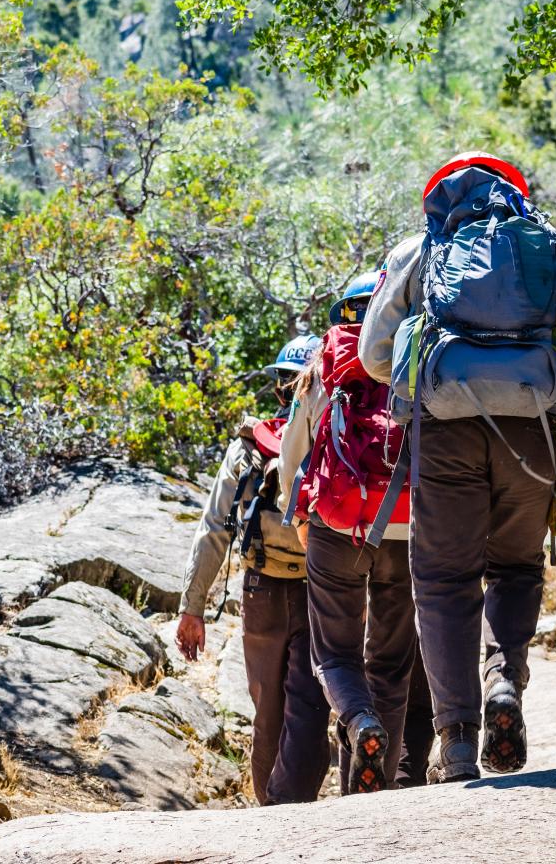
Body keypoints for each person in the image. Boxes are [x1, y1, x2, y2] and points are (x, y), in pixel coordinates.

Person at [359, 152, 556, 783]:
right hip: (533, 431)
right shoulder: (547, 246)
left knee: (443, 581)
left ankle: (460, 740)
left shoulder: (422, 249)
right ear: (515, 192)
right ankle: (504, 684)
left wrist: (438, 382)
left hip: (444, 434)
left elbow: (373, 355)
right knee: (516, 567)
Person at [175, 334, 330, 805]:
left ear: (281, 388)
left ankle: (271, 806)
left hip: (260, 590)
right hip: (319, 589)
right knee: (310, 705)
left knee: (267, 713)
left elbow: (214, 528)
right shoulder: (335, 439)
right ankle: (291, 806)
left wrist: (192, 607)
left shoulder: (248, 447)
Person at [280, 272, 416, 795]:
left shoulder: (323, 365)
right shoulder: (416, 358)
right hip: (404, 527)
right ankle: (375, 787)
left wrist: (302, 525)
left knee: (335, 655)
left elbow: (292, 456)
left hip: (336, 524)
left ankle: (360, 723)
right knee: (393, 660)